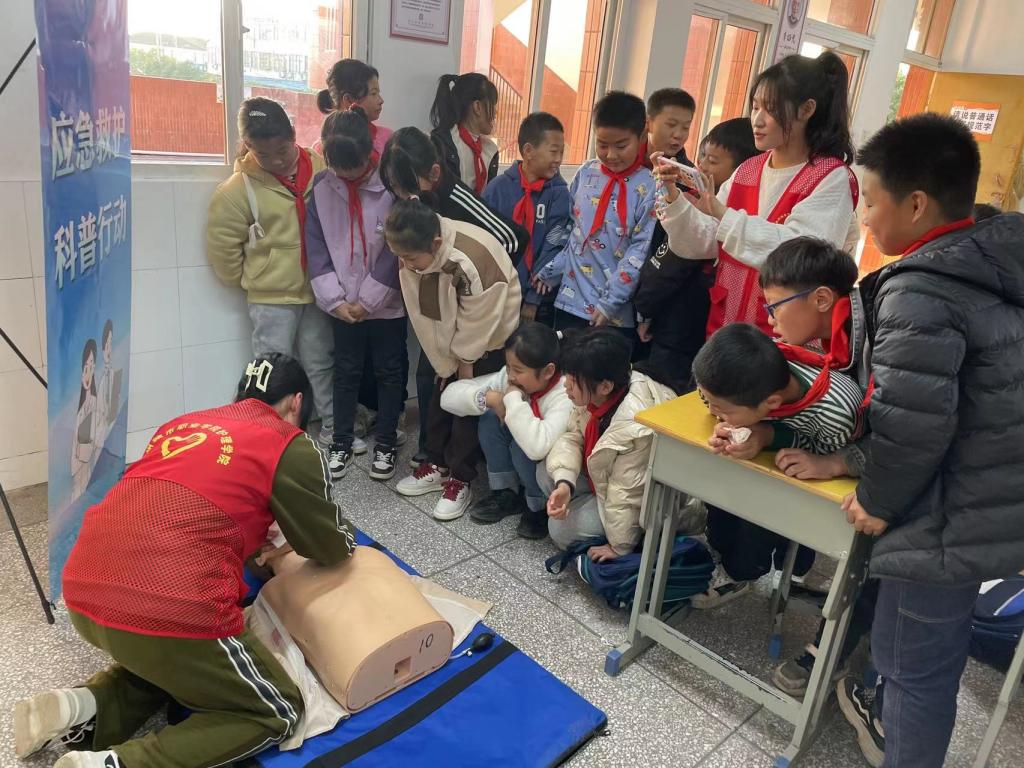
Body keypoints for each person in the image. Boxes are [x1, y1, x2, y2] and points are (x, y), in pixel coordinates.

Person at [15, 354, 357, 768]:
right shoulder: (289, 441)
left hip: (84, 587)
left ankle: (81, 706)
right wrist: (336, 538)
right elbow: (329, 545)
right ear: (297, 403)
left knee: (179, 666)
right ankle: (120, 764)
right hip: (172, 599)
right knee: (277, 709)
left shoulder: (184, 423)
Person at [833, 113, 1024, 768]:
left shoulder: (922, 289)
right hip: (992, 496)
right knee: (923, 661)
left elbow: (913, 421)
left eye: (869, 201)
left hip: (945, 514)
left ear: (915, 205)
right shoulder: (995, 258)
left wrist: (877, 498)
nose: (864, 218)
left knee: (914, 673)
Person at [656, 52, 860, 337]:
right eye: (754, 107)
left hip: (784, 339)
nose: (757, 120)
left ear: (806, 110)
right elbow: (702, 241)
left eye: (770, 109)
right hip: (727, 327)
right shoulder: (748, 169)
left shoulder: (830, 177)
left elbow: (802, 260)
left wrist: (721, 213)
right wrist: (673, 198)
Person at [690, 318, 864, 608]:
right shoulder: (739, 373)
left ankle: (744, 572)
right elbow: (707, 396)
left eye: (721, 408)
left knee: (763, 509)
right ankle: (720, 549)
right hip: (764, 447)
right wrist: (726, 423)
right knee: (721, 478)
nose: (712, 409)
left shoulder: (835, 413)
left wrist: (768, 435)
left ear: (771, 404)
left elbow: (833, 456)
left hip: (811, 472)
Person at [381, 126, 527, 467]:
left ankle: (459, 467)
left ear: (433, 174)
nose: (404, 197)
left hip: (480, 311)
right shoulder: (412, 222)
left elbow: (511, 241)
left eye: (408, 188)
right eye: (396, 190)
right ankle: (433, 456)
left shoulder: (459, 206)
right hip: (442, 308)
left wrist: (475, 283)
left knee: (467, 387)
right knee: (433, 376)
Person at [207, 98, 334, 448]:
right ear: (248, 146)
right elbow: (223, 249)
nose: (276, 160)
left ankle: (332, 428)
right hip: (271, 298)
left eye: (282, 150)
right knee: (271, 369)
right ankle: (271, 437)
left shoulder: (321, 168)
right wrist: (258, 277)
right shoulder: (237, 190)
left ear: (293, 134)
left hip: (318, 291)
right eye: (263, 154)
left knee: (320, 360)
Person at [386, 199, 521, 521]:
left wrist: (464, 360)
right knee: (439, 394)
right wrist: (442, 359)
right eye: (399, 256)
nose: (405, 264)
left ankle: (461, 479)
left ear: (435, 244)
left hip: (489, 337)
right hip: (448, 329)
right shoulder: (412, 254)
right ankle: (437, 465)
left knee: (467, 405)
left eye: (410, 258)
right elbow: (423, 313)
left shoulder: (471, 258)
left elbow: (479, 321)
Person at [306, 107, 405, 482]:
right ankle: (341, 441)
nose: (346, 176)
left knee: (389, 372)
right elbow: (315, 249)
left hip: (386, 305)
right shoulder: (321, 188)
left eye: (354, 168)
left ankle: (386, 442)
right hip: (343, 306)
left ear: (369, 151)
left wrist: (368, 300)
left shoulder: (391, 186)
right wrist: (335, 301)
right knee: (345, 372)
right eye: (338, 168)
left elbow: (396, 249)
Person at [634, 118, 758, 392]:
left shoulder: (729, 219)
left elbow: (666, 269)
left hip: (685, 334)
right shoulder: (691, 203)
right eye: (701, 155)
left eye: (712, 161)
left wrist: (644, 308)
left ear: (742, 171)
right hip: (679, 330)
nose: (700, 165)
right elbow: (664, 263)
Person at [543, 328, 676, 561]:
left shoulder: (636, 424)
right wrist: (565, 484)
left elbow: (627, 493)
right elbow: (573, 437)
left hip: (647, 507)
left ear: (605, 386)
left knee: (559, 530)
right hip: (607, 482)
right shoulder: (600, 392)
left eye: (573, 381)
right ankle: (584, 507)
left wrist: (619, 547)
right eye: (568, 377)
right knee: (547, 474)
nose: (566, 386)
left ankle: (628, 540)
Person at [534, 91, 658, 338]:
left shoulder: (651, 186)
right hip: (570, 302)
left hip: (613, 314)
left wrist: (611, 301)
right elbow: (573, 231)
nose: (611, 154)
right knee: (563, 360)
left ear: (642, 136)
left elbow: (640, 251)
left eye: (621, 146)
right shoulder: (586, 173)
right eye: (602, 144)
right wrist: (553, 269)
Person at [440, 322, 573, 539]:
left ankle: (538, 506)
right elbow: (448, 398)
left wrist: (511, 398)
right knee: (490, 417)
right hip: (526, 458)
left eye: (518, 370)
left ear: (548, 371)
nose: (510, 376)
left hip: (551, 474)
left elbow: (537, 448)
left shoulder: (564, 392)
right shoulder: (509, 377)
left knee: (523, 442)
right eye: (509, 367)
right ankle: (506, 492)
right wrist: (490, 398)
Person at [483, 112, 573, 325]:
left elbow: (555, 246)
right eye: (553, 151)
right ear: (528, 151)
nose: (558, 159)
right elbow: (485, 240)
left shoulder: (559, 194)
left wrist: (533, 300)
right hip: (497, 294)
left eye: (561, 152)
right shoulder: (498, 188)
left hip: (538, 300)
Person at [429, 73, 500, 194]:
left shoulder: (490, 149)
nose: (495, 113)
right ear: (477, 107)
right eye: (492, 105)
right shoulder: (443, 143)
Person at [316, 58, 392, 158]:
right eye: (373, 93)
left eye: (378, 93)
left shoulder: (387, 139)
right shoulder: (321, 150)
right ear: (348, 100)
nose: (381, 100)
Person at [71, 339, 98, 502]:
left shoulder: (93, 401)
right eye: (85, 368)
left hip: (87, 458)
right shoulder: (79, 407)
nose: (88, 374)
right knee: (78, 491)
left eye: (91, 367)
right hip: (78, 462)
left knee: (85, 489)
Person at [640, 87, 695, 167]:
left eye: (686, 127)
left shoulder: (687, 173)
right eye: (671, 124)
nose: (678, 135)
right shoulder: (625, 155)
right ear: (648, 123)